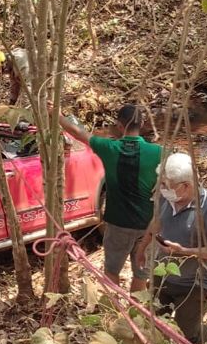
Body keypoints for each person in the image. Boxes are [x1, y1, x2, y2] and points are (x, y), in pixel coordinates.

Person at [54, 104, 162, 292]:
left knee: (112, 271)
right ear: (143, 124)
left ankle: (113, 312)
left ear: (119, 126)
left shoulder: (109, 147)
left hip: (117, 224)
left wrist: (57, 115)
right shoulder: (159, 152)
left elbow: (78, 133)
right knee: (141, 273)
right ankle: (135, 317)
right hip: (147, 224)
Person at [136, 152, 207, 344]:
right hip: (164, 275)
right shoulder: (166, 198)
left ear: (185, 186)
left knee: (186, 335)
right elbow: (155, 223)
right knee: (155, 324)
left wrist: (184, 251)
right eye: (162, 184)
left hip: (196, 284)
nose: (162, 189)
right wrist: (142, 248)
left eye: (167, 185)